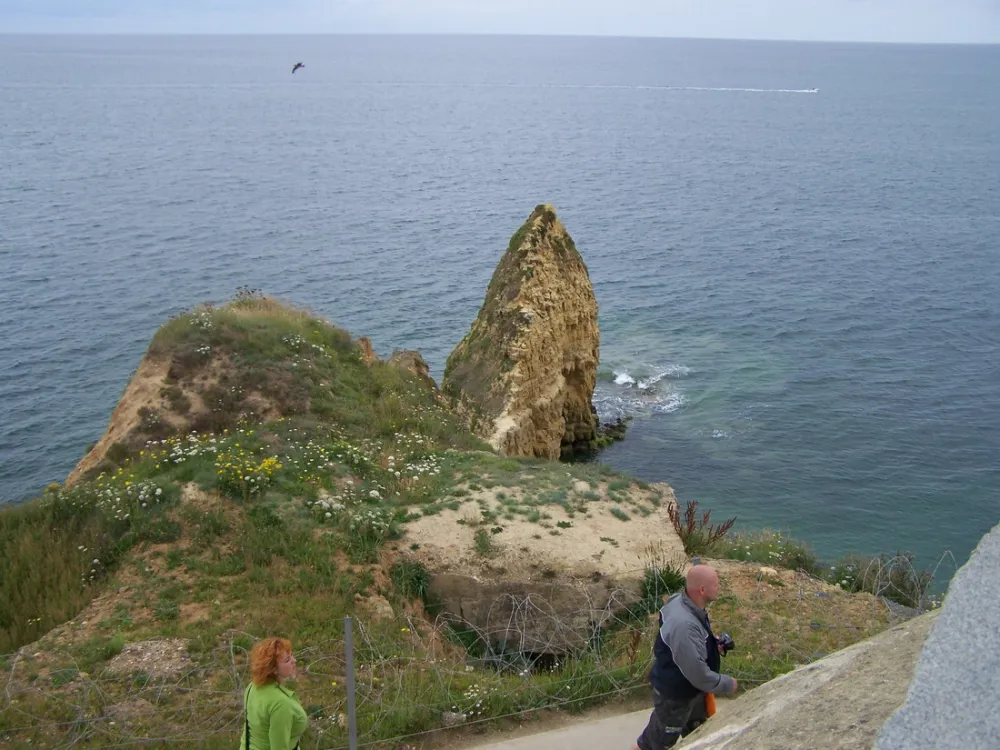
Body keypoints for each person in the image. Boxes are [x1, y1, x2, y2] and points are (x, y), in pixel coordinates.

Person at [632, 564, 738, 750]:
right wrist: (727, 684)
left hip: (691, 692)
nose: (719, 587)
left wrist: (711, 645)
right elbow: (698, 674)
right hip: (675, 698)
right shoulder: (685, 625)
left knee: (700, 734)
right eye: (716, 584)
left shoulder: (680, 602)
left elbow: (685, 644)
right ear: (702, 590)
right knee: (653, 745)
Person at [241, 637, 309, 750]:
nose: (294, 661)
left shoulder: (253, 687)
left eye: (291, 655)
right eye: (287, 660)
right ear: (273, 670)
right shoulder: (281, 704)